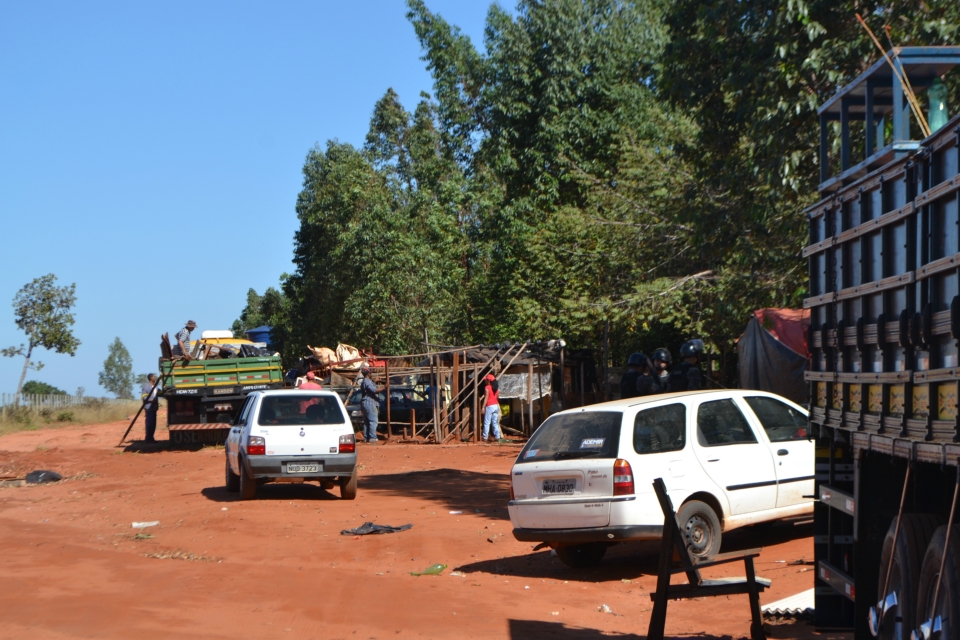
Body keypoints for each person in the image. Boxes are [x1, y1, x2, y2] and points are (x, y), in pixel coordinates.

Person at [359, 367, 383, 444]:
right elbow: (374, 390)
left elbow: (370, 389)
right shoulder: (367, 381)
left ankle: (367, 437)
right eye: (371, 373)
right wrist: (384, 387)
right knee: (373, 421)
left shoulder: (366, 382)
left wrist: (375, 382)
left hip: (366, 404)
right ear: (369, 374)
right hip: (370, 404)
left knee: (367, 422)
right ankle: (372, 437)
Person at [481, 374, 502, 443]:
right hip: (496, 406)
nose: (485, 381)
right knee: (495, 422)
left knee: (487, 422)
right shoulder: (497, 388)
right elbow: (496, 398)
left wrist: (483, 407)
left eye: (486, 380)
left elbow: (486, 398)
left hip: (489, 406)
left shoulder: (487, 387)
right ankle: (497, 436)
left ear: (488, 381)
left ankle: (485, 437)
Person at [140, 373, 160, 443]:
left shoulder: (155, 387)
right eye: (154, 376)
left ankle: (151, 437)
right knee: (149, 422)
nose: (155, 377)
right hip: (149, 407)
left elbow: (160, 393)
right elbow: (143, 396)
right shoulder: (146, 386)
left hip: (154, 407)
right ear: (151, 378)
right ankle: (148, 438)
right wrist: (151, 400)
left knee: (153, 423)